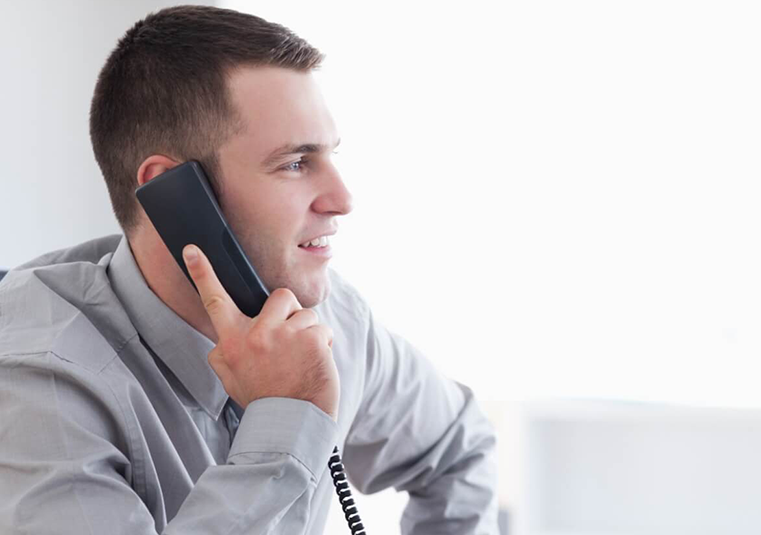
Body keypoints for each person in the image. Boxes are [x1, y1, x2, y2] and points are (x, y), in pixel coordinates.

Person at [0, 5, 498, 534]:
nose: (342, 199)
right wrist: (286, 418)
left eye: (330, 156)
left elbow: (459, 449)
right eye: (295, 163)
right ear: (171, 194)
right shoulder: (38, 385)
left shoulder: (331, 323)